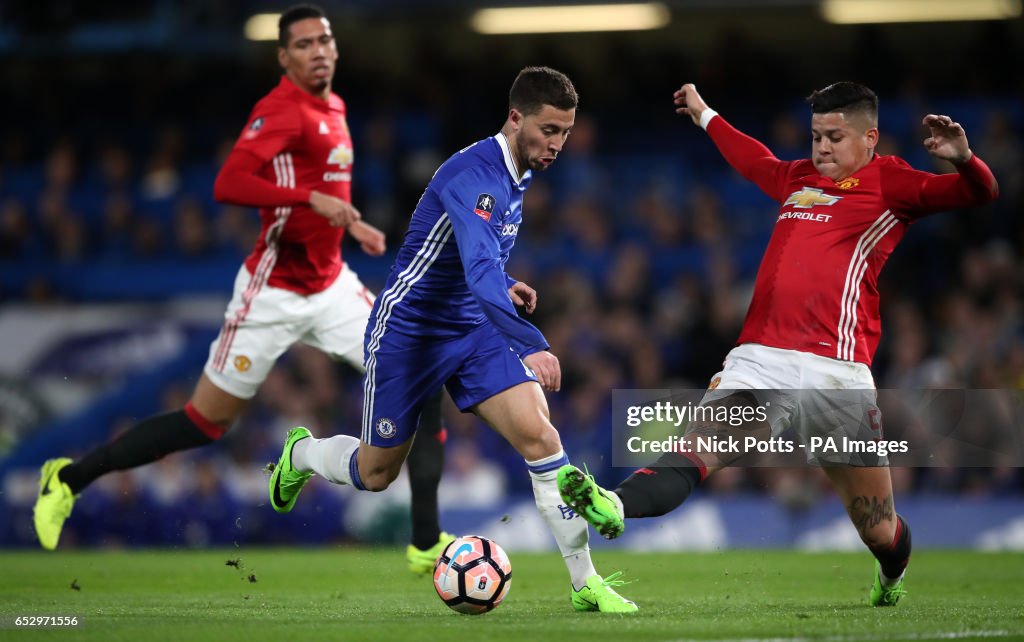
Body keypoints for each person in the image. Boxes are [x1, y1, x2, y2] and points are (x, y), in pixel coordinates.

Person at [33, 4, 454, 573]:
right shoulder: (279, 110)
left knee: (424, 381)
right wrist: (311, 202)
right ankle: (67, 477)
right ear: (284, 57)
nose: (319, 50)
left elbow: (322, 190)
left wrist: (348, 222)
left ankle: (425, 540)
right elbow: (228, 182)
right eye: (303, 44)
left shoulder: (334, 107)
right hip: (272, 291)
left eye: (324, 40)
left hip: (332, 287)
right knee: (205, 422)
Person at [557, 81, 999, 607]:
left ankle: (891, 574)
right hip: (760, 363)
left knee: (878, 530)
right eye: (816, 136)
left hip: (836, 376)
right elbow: (753, 159)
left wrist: (965, 159)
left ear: (869, 138)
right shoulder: (799, 179)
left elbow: (979, 194)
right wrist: (704, 114)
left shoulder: (892, 182)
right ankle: (615, 504)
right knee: (695, 451)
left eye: (835, 136)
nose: (822, 148)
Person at [268, 66, 637, 612]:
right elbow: (478, 269)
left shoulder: (519, 171)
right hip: (408, 333)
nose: (558, 144)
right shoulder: (476, 176)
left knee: (541, 438)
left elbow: (474, 260)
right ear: (516, 118)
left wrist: (505, 285)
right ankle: (302, 454)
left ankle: (586, 584)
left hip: (469, 327)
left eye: (566, 131)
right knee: (375, 473)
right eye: (550, 130)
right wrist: (530, 339)